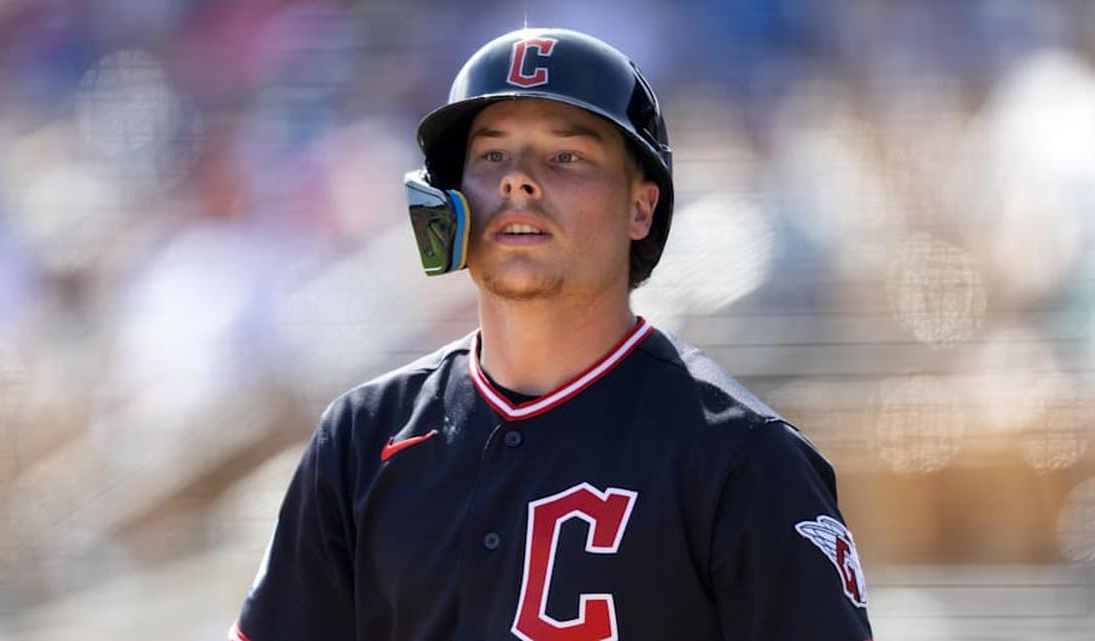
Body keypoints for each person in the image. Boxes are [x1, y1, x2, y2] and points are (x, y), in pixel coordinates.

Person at [229, 27, 873, 641]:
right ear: (446, 199)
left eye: (566, 155)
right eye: (491, 155)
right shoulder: (363, 435)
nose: (518, 180)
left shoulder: (743, 457)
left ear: (640, 206)